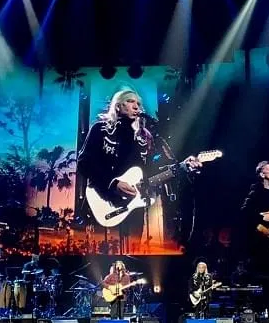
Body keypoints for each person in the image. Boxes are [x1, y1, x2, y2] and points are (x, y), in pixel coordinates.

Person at [77, 88, 202, 252]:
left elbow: (151, 171)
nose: (136, 106)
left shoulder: (145, 137)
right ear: (118, 106)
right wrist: (112, 183)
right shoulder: (101, 129)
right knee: (103, 251)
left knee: (133, 251)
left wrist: (183, 166)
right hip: (102, 199)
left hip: (133, 209)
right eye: (130, 101)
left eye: (138, 103)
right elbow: (84, 162)